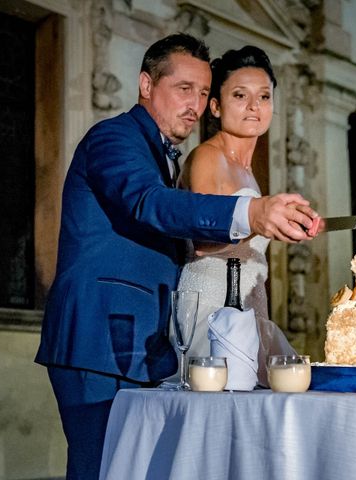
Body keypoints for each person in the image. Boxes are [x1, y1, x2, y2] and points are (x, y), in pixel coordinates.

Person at [34, 33, 317, 480]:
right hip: (99, 339)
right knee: (99, 470)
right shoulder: (113, 137)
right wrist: (250, 211)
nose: (195, 104)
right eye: (184, 89)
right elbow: (148, 203)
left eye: (203, 92)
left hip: (149, 342)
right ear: (146, 84)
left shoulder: (166, 156)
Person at [176, 46, 296, 386]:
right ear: (215, 105)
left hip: (250, 305)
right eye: (240, 95)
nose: (254, 106)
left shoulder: (249, 173)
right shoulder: (206, 158)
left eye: (264, 96)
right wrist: (261, 219)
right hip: (213, 307)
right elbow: (204, 236)